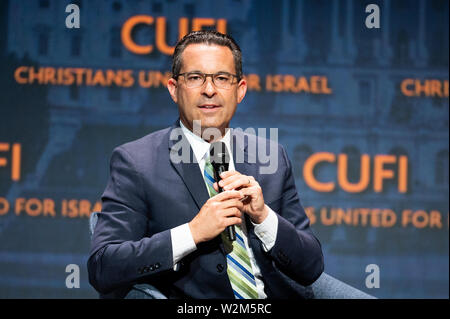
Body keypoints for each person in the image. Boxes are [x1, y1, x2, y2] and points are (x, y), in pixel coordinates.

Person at [88, 30, 324, 299]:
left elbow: (311, 266)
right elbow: (103, 267)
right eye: (195, 78)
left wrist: (264, 217)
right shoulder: (136, 162)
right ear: (174, 89)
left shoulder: (271, 156)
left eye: (222, 78)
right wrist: (193, 233)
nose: (209, 90)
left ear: (240, 90)